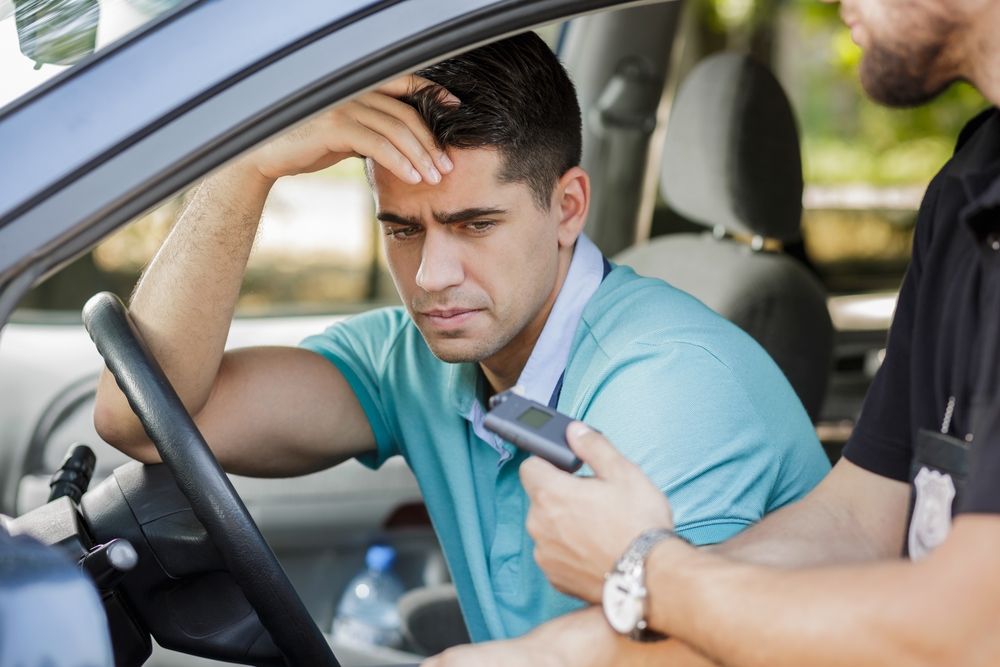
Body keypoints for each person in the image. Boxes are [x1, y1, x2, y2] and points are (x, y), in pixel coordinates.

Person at [93, 32, 829, 643]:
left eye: (475, 224)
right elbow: (144, 420)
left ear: (568, 207)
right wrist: (246, 167)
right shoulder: (416, 358)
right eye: (403, 229)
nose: (431, 277)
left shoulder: (676, 386)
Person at [422, 0, 1000, 664]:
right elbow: (862, 516)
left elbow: (974, 634)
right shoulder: (968, 188)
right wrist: (552, 653)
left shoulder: (675, 370)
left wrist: (646, 569)